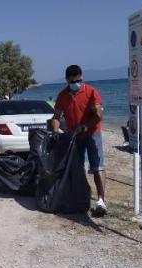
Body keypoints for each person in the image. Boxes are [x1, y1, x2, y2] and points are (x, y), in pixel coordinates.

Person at [51, 65, 107, 215]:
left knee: (97, 166)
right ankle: (81, 196)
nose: (77, 83)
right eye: (73, 81)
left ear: (81, 77)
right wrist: (55, 131)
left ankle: (101, 200)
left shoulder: (91, 92)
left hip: (92, 133)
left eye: (79, 80)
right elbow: (56, 117)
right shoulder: (62, 95)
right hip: (74, 136)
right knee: (77, 166)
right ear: (67, 80)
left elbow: (99, 115)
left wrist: (86, 126)